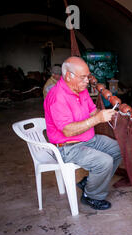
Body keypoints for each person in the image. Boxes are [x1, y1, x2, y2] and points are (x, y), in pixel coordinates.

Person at [44, 56, 122, 210]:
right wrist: (98, 119)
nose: (87, 81)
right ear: (68, 76)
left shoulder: (81, 90)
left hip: (87, 139)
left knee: (118, 149)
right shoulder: (57, 96)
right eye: (83, 77)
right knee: (104, 161)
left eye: (88, 76)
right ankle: (91, 195)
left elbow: (92, 111)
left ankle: (90, 181)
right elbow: (67, 130)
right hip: (67, 147)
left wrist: (105, 113)